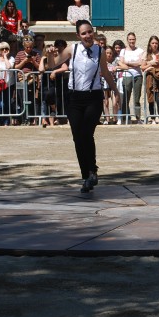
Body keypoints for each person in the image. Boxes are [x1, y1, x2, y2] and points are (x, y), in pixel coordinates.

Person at [58, 19, 118, 193]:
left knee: (86, 133)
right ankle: (86, 176)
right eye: (83, 33)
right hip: (74, 98)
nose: (87, 36)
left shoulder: (100, 51)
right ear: (78, 35)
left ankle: (92, 169)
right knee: (77, 137)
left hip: (93, 97)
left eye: (90, 32)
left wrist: (115, 91)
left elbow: (105, 72)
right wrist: (48, 54)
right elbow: (51, 63)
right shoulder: (72, 49)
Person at [118, 32, 144, 124]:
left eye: (133, 39)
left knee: (137, 99)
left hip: (138, 76)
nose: (132, 41)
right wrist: (133, 64)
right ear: (127, 40)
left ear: (135, 39)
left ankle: (138, 118)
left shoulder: (140, 50)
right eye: (130, 39)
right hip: (127, 76)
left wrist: (127, 63)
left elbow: (140, 63)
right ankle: (125, 119)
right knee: (125, 99)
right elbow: (121, 63)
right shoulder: (123, 51)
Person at [141, 35, 159, 124]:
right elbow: (142, 67)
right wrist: (151, 63)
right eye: (153, 43)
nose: (154, 45)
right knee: (151, 99)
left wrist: (154, 66)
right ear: (149, 44)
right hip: (149, 79)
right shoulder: (146, 53)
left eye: (156, 43)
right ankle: (153, 118)